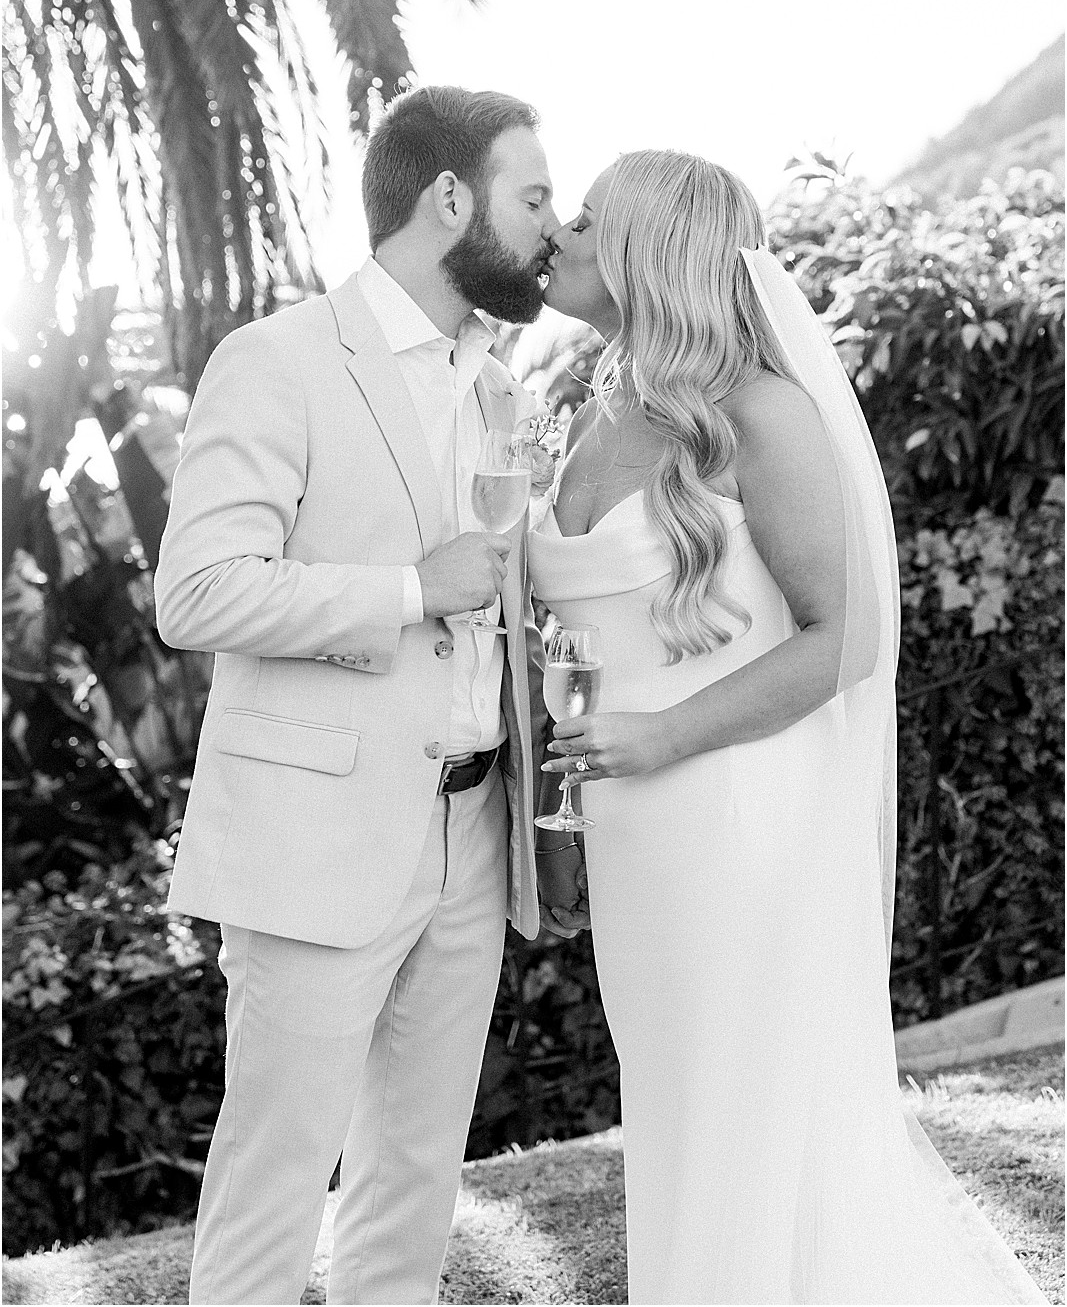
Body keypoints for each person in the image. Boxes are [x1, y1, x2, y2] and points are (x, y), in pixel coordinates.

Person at [529, 149, 1048, 1305]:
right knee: (674, 1101)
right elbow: (575, 643)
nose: (558, 234)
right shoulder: (590, 410)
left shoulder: (762, 413)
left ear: (648, 251)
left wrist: (661, 738)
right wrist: (557, 819)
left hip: (732, 813)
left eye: (586, 218)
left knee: (748, 1106)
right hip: (629, 830)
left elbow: (843, 639)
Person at [155, 85, 557, 1305]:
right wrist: (402, 589)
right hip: (316, 838)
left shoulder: (499, 382)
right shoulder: (276, 360)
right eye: (531, 195)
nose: (554, 223)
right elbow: (199, 594)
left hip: (472, 833)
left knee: (416, 1176)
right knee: (276, 1184)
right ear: (449, 200)